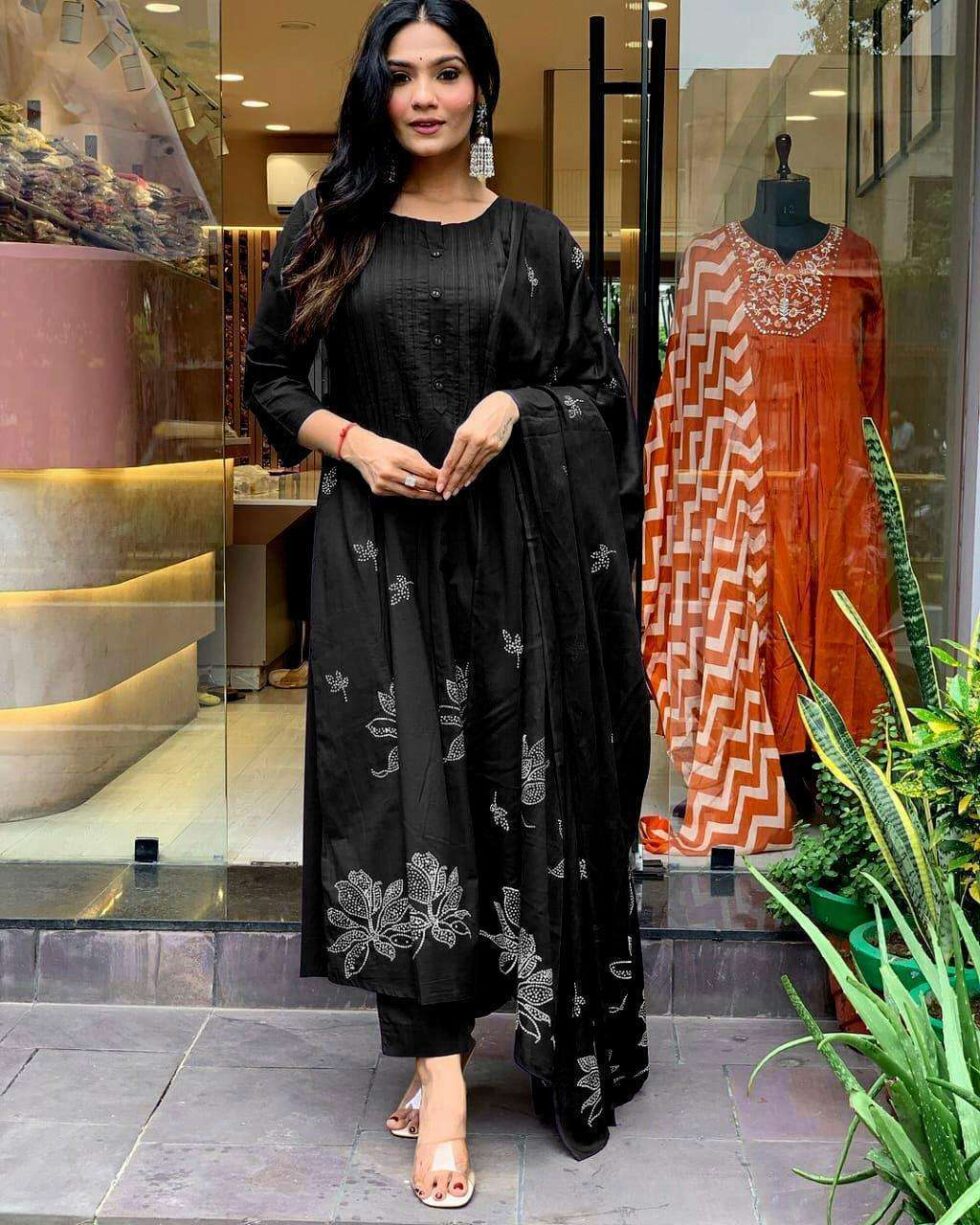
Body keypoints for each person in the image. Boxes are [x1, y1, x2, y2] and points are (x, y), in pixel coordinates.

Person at [243, 0, 651, 1208]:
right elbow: (269, 377)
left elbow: (598, 392)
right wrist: (353, 441)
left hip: (519, 562)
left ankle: (474, 1046)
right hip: (381, 558)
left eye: (447, 72)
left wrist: (517, 406)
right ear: (374, 92)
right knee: (406, 803)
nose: (423, 94)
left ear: (480, 92)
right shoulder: (329, 228)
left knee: (507, 799)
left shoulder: (538, 240)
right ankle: (444, 1078)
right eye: (400, 73)